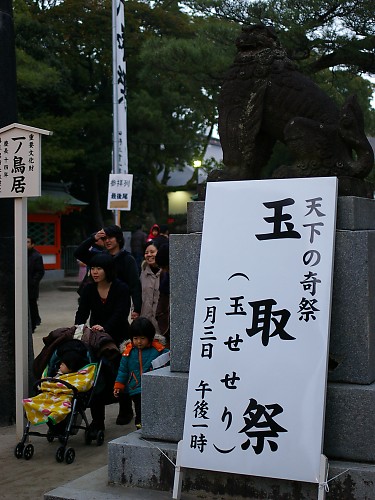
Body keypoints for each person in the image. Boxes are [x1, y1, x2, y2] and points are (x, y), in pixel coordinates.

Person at [74, 252, 132, 432]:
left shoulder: (121, 288)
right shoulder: (88, 289)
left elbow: (121, 314)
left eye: (99, 268)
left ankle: (125, 408)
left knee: (120, 373)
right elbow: (82, 313)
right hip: (97, 339)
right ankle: (97, 420)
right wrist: (78, 331)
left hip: (119, 336)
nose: (95, 272)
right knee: (95, 375)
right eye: (92, 268)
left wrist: (105, 327)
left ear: (108, 269)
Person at [74, 224, 141, 320]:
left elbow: (135, 284)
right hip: (99, 302)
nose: (107, 241)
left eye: (110, 238)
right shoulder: (100, 257)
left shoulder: (128, 259)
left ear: (119, 239)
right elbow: (78, 253)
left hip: (119, 303)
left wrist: (137, 308)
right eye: (105, 238)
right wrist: (93, 238)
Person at [113, 317, 169, 429]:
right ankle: (141, 429)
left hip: (154, 386)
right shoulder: (128, 352)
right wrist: (119, 385)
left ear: (150, 338)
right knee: (140, 410)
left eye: (142, 338)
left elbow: (167, 362)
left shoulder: (158, 350)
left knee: (155, 408)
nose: (139, 341)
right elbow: (123, 370)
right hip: (136, 387)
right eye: (135, 338)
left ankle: (156, 427)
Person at [22, 347, 91, 429]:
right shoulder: (57, 374)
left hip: (64, 396)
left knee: (62, 407)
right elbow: (49, 383)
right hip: (50, 394)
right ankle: (36, 409)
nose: (60, 365)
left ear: (71, 368)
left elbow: (79, 385)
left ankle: (54, 415)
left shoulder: (76, 377)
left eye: (63, 364)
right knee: (38, 399)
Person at [140, 242, 161, 334]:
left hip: (162, 322)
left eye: (152, 252)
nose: (149, 255)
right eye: (146, 252)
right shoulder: (143, 273)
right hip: (145, 321)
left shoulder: (166, 273)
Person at [27, 236, 45, 333]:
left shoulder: (36, 256)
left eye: (28, 242)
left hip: (31, 286)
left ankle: (33, 325)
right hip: (22, 285)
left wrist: (33, 282)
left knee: (32, 305)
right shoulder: (19, 254)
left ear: (32, 244)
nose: (26, 244)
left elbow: (40, 271)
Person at [155, 243, 170, 347]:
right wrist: (159, 313)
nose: (164, 270)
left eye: (165, 267)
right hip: (165, 318)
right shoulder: (164, 274)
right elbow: (161, 296)